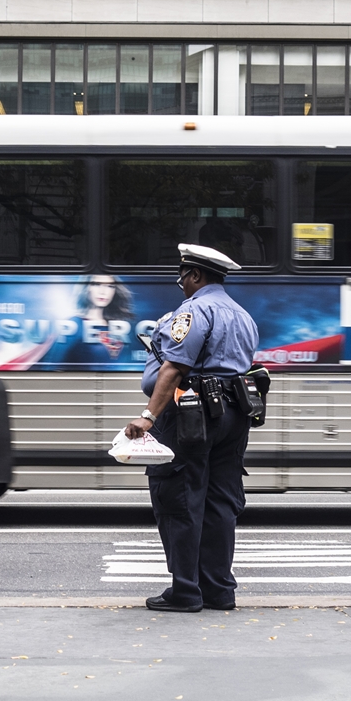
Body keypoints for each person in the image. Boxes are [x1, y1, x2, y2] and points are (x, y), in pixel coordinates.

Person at [123, 244, 260, 612]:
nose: (181, 284)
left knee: (179, 496)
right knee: (220, 501)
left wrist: (148, 417)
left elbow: (174, 369)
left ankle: (185, 590)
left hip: (192, 414)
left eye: (183, 277)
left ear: (196, 276)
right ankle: (218, 590)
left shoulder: (194, 310)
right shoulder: (242, 315)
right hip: (234, 414)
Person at [50, 275, 135, 366]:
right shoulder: (74, 325)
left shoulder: (119, 326)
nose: (103, 292)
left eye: (110, 286)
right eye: (97, 284)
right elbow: (53, 365)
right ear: (87, 288)